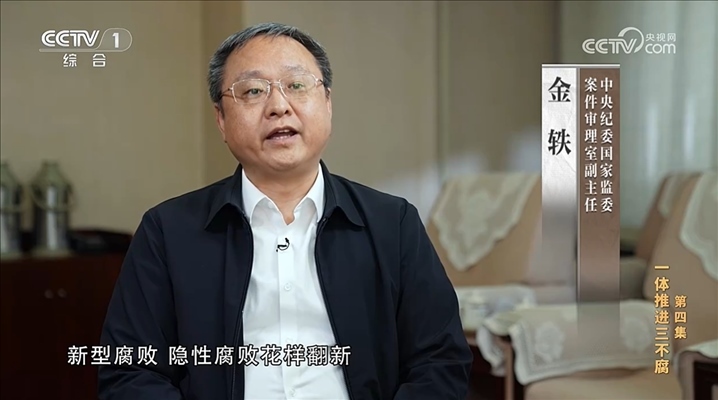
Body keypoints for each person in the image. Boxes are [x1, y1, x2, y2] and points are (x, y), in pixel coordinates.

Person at [98, 22, 472, 400]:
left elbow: (440, 362)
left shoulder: (393, 224)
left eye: (296, 85)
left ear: (327, 103)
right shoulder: (168, 231)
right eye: (253, 91)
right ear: (221, 119)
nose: (279, 106)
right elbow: (129, 370)